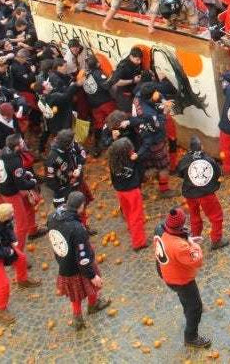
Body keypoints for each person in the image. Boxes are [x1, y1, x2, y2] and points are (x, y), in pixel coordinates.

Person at [47, 191, 111, 330]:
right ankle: (93, 305)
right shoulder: (77, 229)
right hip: (78, 266)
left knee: (75, 295)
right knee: (92, 284)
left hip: (64, 263)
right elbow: (83, 258)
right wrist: (92, 275)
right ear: (81, 206)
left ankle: (78, 318)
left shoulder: (52, 217)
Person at [154, 207, 211, 349]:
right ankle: (191, 337)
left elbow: (175, 238)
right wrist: (194, 245)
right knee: (195, 307)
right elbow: (197, 260)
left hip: (166, 273)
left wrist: (189, 239)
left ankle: (188, 309)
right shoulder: (179, 247)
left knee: (185, 298)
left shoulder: (160, 229)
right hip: (181, 280)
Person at [176, 135, 228, 250]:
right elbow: (218, 172)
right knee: (216, 216)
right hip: (206, 194)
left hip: (190, 194)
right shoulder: (208, 159)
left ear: (190, 148)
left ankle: (195, 238)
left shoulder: (185, 160)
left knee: (194, 216)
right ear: (201, 147)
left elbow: (179, 173)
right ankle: (216, 239)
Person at [0, 133, 46, 252]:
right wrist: (33, 182)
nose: (23, 143)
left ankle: (33, 230)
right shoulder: (15, 160)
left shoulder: (5, 152)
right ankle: (16, 253)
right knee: (21, 225)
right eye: (21, 142)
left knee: (29, 204)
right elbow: (21, 184)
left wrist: (25, 175)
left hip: (7, 186)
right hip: (11, 192)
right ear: (16, 146)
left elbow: (16, 174)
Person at [0, 203, 41, 325]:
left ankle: (22, 280)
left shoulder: (6, 220)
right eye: (10, 214)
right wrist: (9, 251)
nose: (13, 215)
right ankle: (1, 308)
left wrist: (13, 240)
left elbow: (9, 229)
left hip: (4, 247)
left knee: (21, 258)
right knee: (4, 285)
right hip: (2, 250)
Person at [107, 138, 147, 251]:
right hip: (132, 191)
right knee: (136, 216)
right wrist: (137, 159)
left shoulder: (113, 162)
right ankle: (138, 242)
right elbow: (140, 172)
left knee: (128, 213)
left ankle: (132, 230)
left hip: (120, 192)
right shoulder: (131, 161)